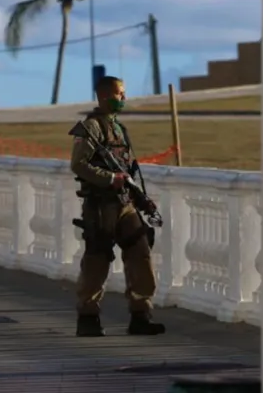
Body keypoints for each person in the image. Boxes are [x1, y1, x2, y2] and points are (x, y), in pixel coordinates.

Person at [67, 76, 165, 337]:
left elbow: (130, 170)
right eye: (119, 94)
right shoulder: (90, 128)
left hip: (125, 203)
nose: (124, 98)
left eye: (123, 93)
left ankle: (141, 315)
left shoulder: (120, 130)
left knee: (141, 251)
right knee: (97, 259)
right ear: (103, 96)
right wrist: (109, 178)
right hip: (101, 205)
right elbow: (78, 165)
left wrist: (141, 197)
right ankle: (88, 318)